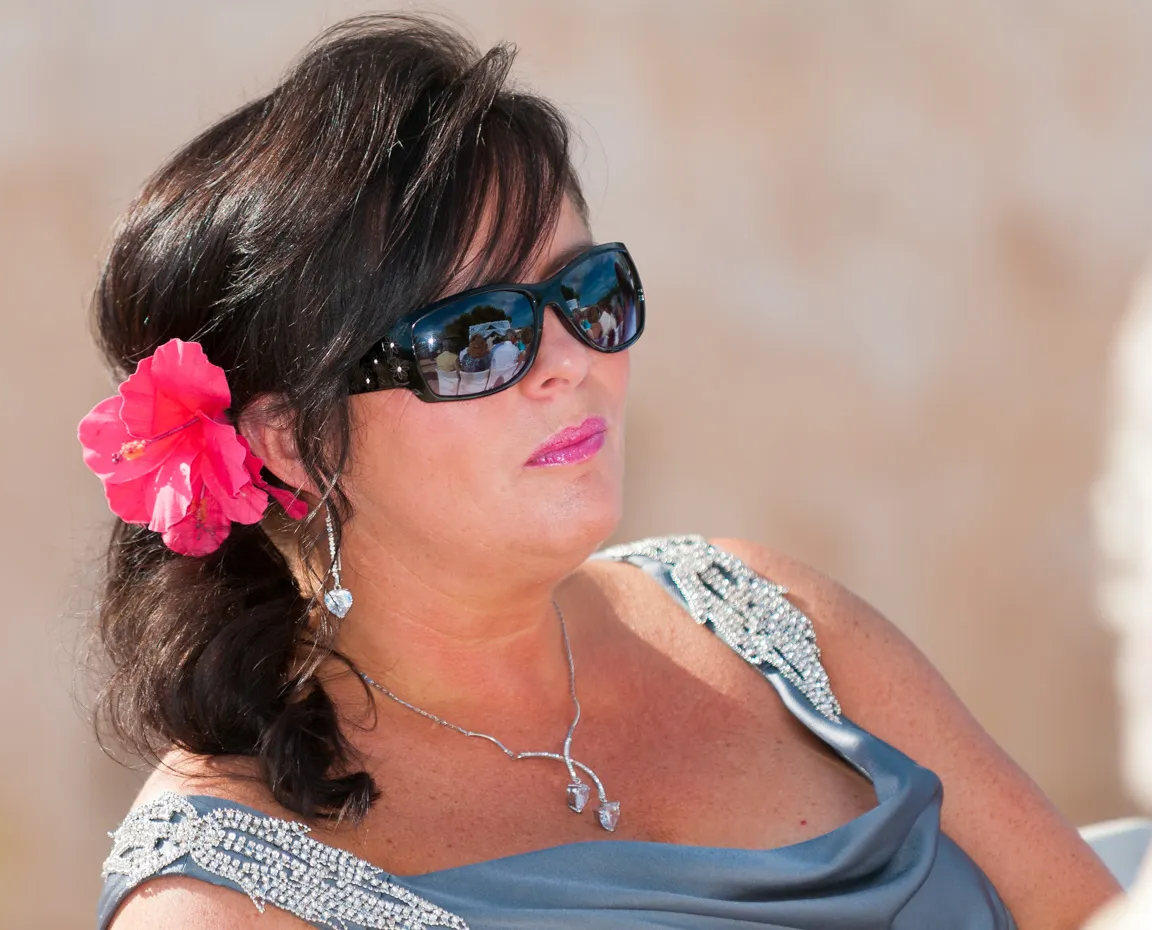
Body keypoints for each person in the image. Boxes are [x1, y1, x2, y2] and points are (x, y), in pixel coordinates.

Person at [82, 13, 1118, 930]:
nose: (572, 362)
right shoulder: (222, 900)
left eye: (587, 289)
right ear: (290, 440)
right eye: (477, 336)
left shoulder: (771, 621)